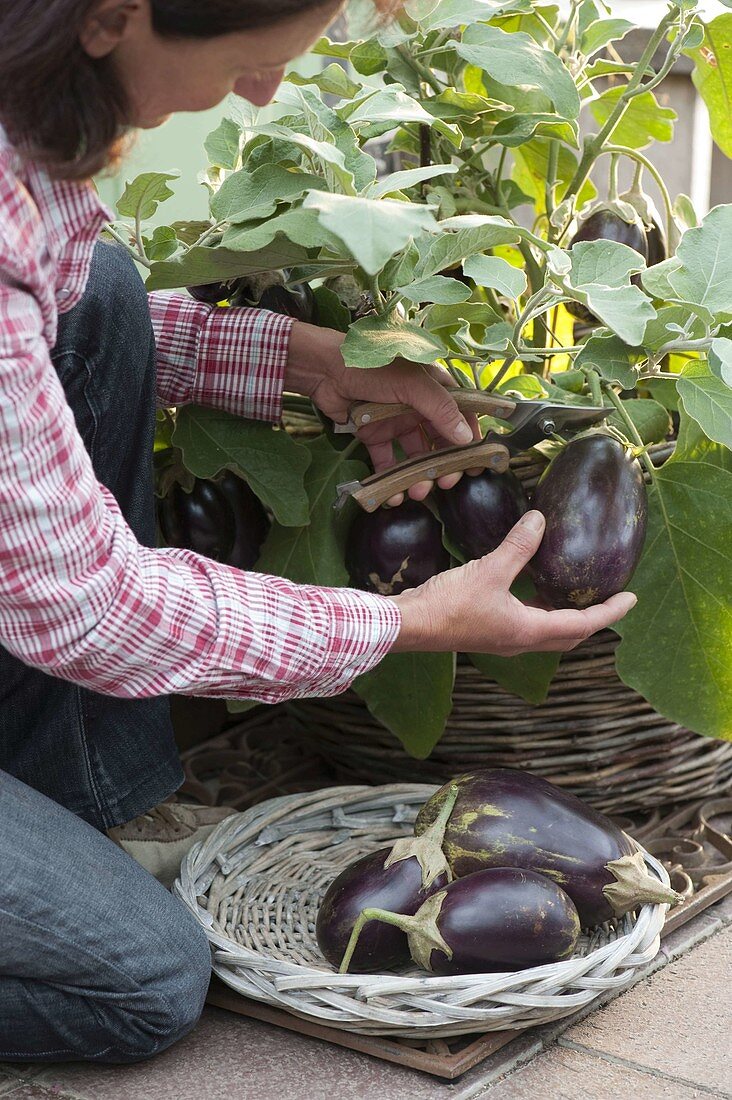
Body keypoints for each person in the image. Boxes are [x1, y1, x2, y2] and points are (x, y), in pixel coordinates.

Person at [0, 0, 637, 1065]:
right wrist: (398, 623)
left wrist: (311, 359)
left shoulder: (27, 127)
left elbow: (39, 339)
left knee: (103, 294)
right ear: (113, 18)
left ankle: (65, 811)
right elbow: (89, 603)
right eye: (253, 66)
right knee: (146, 979)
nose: (263, 93)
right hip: (67, 607)